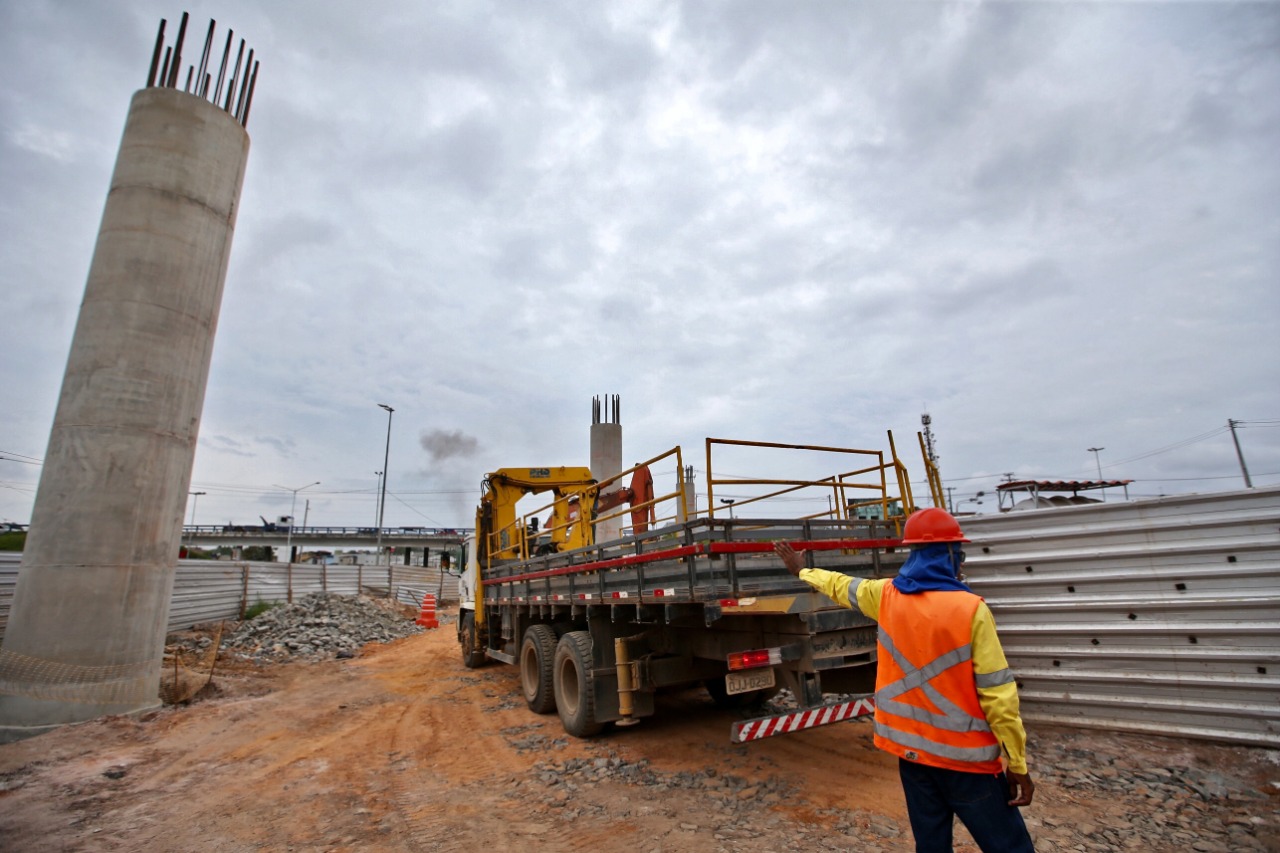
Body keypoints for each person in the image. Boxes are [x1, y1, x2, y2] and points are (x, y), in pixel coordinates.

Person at [775, 507, 1035, 852]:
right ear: (950, 555)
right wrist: (1017, 763)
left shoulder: (885, 596)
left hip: (913, 758)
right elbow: (998, 696)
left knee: (930, 846)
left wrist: (802, 570)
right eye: (960, 554)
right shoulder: (971, 609)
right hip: (967, 763)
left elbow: (839, 586)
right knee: (1009, 846)